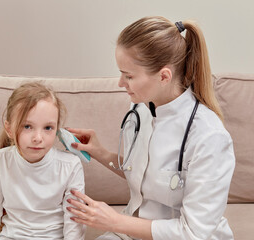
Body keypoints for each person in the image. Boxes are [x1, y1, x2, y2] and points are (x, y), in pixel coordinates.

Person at [66, 16, 235, 240]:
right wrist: (102, 153)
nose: (120, 83)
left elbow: (193, 233)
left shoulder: (208, 136)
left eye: (128, 76)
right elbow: (145, 174)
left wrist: (115, 220)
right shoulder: (142, 109)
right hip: (131, 230)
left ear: (164, 76)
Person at [0, 82, 86, 240]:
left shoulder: (71, 165)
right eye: (27, 126)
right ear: (9, 129)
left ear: (57, 130)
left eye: (48, 128)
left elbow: (74, 222)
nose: (38, 138)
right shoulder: (0, 160)